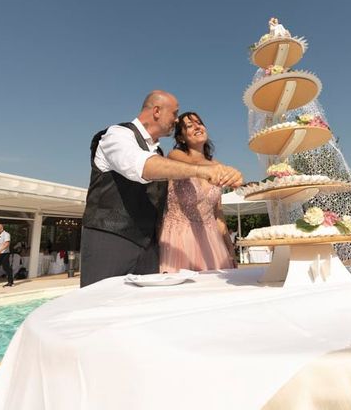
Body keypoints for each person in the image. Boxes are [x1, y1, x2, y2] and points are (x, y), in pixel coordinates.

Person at [80, 91, 243, 287]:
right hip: (112, 240)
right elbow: (142, 166)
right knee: (100, 306)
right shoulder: (118, 134)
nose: (176, 120)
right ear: (157, 111)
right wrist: (203, 172)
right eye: (175, 114)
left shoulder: (158, 152)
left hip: (151, 248)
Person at [159, 112, 237, 272]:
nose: (197, 126)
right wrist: (222, 170)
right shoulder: (176, 156)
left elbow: (218, 214)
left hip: (211, 242)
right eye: (189, 125)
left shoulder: (217, 166)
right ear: (181, 138)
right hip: (179, 240)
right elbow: (194, 163)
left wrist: (230, 248)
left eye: (199, 123)